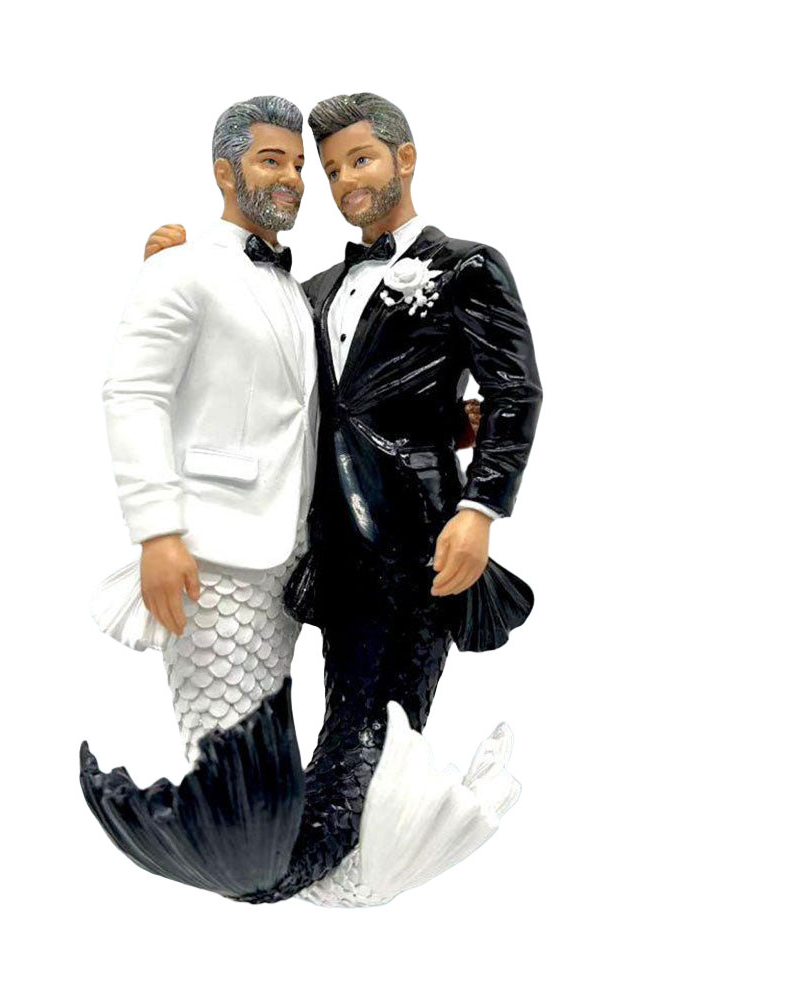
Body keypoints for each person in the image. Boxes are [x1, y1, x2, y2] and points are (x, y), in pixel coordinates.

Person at [141, 93, 540, 906]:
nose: (346, 181)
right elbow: (264, 370)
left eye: (361, 159)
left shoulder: (468, 267)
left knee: (370, 722)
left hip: (420, 540)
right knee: (337, 713)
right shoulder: (313, 288)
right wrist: (176, 271)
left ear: (406, 158)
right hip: (321, 544)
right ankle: (274, 852)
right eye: (330, 170)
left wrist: (479, 511)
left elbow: (514, 392)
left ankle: (292, 864)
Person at [81, 95, 315, 899]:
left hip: (291, 564)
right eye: (271, 160)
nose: (291, 177)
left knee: (272, 747)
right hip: (209, 559)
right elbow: (134, 392)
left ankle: (273, 861)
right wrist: (157, 531)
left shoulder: (295, 291)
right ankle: (195, 842)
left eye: (297, 164)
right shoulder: (181, 269)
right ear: (225, 172)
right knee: (240, 781)